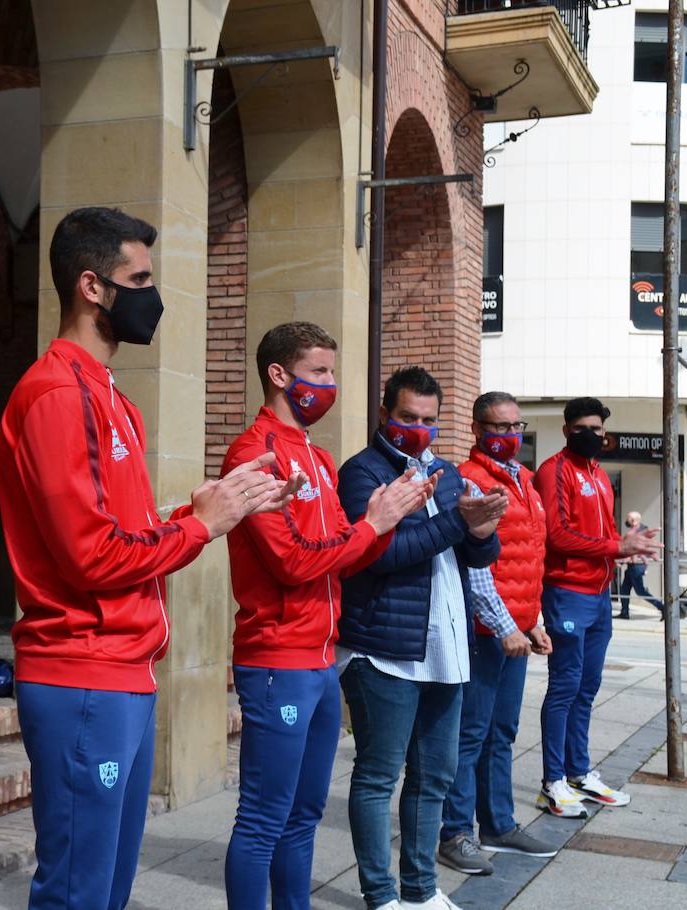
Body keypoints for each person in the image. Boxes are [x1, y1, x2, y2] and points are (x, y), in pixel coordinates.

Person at [0, 206, 293, 909]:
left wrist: (201, 511)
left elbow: (116, 532)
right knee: (77, 894)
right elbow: (91, 557)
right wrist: (204, 528)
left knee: (105, 892)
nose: (152, 296)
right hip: (83, 675)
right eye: (141, 278)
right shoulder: (57, 394)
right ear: (92, 287)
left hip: (122, 673)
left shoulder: (111, 398)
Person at [221, 323, 427, 909]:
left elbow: (346, 547)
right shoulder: (254, 454)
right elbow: (291, 561)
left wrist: (385, 521)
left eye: (333, 373)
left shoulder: (316, 454)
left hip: (319, 659)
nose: (330, 385)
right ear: (279, 375)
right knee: (264, 816)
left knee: (304, 814)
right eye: (318, 372)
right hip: (276, 658)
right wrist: (371, 526)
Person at [336, 366, 507, 910]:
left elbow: (472, 555)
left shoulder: (448, 473)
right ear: (386, 414)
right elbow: (380, 554)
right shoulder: (362, 474)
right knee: (378, 776)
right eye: (408, 417)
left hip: (447, 648)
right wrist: (457, 523)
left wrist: (482, 530)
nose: (419, 428)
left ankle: (421, 888)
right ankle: (381, 893)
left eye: (429, 420)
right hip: (385, 650)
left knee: (435, 775)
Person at [437, 392, 557, 877]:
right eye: (498, 426)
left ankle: (499, 823)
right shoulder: (469, 480)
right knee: (470, 734)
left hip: (515, 629)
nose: (508, 435)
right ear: (476, 428)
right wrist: (507, 624)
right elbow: (476, 566)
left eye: (515, 426)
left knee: (502, 732)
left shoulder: (524, 480)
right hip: (484, 629)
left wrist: (533, 620)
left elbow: (529, 559)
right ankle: (455, 833)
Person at [535, 398, 662, 818]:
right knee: (565, 686)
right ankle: (552, 781)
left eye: (598, 427)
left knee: (587, 690)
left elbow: (605, 533)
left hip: (599, 595)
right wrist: (616, 546)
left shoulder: (599, 476)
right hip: (567, 592)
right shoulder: (554, 471)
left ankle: (578, 772)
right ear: (568, 429)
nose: (593, 434)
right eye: (583, 427)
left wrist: (630, 548)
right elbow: (557, 535)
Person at [617, 511, 666, 619]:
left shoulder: (642, 531)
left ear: (633, 520)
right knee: (624, 589)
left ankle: (662, 607)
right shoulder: (636, 531)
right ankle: (624, 612)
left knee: (641, 591)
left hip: (637, 566)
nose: (627, 521)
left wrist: (625, 559)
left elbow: (638, 550)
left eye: (628, 519)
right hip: (632, 566)